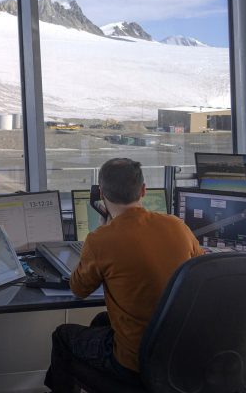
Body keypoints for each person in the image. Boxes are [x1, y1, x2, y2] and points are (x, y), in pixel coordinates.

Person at [44, 158, 203, 392]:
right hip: (178, 352)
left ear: (101, 194)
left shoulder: (101, 239)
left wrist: (101, 234)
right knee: (100, 321)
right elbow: (200, 266)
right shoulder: (177, 226)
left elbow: (79, 289)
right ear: (143, 190)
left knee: (63, 337)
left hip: (134, 363)